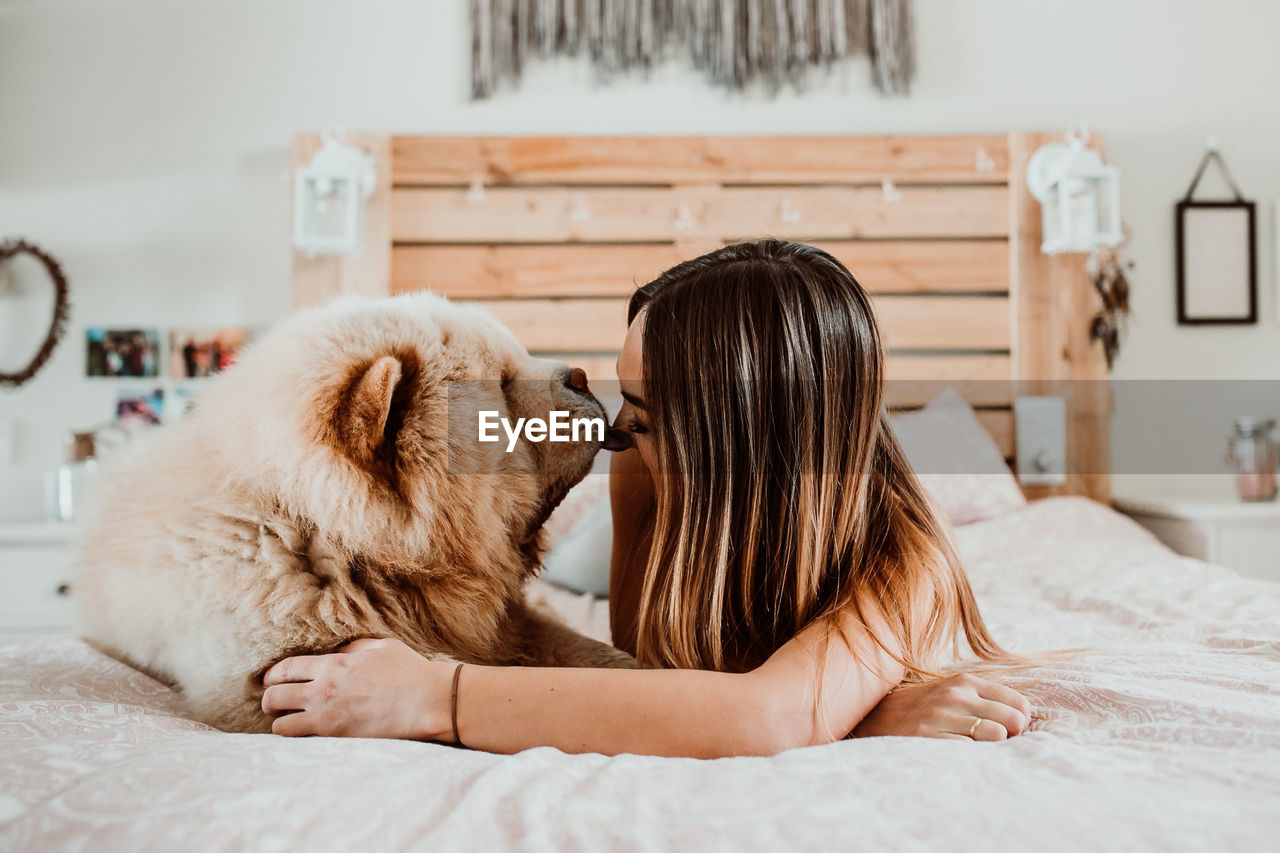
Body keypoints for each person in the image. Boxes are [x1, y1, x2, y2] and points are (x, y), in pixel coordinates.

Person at [262, 240, 1032, 756]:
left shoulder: (905, 559)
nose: (614, 427)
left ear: (736, 446)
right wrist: (852, 707)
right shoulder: (638, 468)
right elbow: (655, 665)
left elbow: (765, 715)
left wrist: (438, 695)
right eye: (623, 391)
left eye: (648, 409)